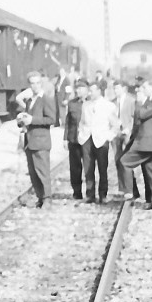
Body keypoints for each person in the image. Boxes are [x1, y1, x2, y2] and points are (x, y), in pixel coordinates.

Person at [121, 77, 152, 208]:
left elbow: (140, 114)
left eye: (145, 88)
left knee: (125, 162)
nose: (142, 90)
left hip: (147, 144)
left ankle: (130, 192)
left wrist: (139, 102)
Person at [17, 70, 57, 208]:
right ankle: (40, 197)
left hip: (41, 141)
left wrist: (32, 120)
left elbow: (51, 119)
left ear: (41, 83)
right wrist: (21, 120)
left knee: (42, 171)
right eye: (32, 83)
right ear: (29, 85)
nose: (35, 86)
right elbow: (28, 118)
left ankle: (47, 198)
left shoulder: (46, 99)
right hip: (30, 141)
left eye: (37, 83)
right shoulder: (29, 101)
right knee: (33, 172)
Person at [78, 79, 118, 203]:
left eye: (93, 90)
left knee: (102, 167)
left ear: (100, 91)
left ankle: (103, 194)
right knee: (88, 168)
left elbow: (115, 124)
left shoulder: (109, 105)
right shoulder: (86, 105)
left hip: (101, 139)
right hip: (87, 139)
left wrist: (109, 137)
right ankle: (90, 194)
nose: (90, 92)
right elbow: (82, 121)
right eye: (89, 90)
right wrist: (81, 135)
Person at [62, 79, 90, 200]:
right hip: (74, 139)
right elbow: (68, 122)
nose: (78, 91)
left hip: (87, 139)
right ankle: (77, 192)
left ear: (87, 90)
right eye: (77, 89)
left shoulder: (91, 103)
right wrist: (65, 138)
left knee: (89, 166)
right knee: (75, 167)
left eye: (81, 88)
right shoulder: (72, 103)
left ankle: (90, 192)